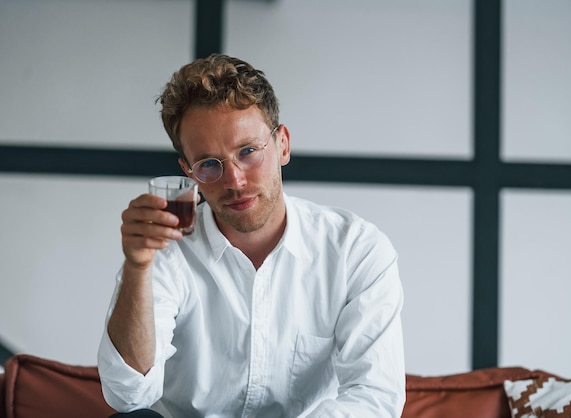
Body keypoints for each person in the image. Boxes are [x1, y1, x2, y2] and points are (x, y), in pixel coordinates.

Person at [98, 54, 405, 418]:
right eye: (209, 164)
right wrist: (137, 267)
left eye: (248, 152)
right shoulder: (165, 251)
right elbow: (128, 396)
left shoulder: (355, 250)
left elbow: (375, 398)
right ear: (189, 172)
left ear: (283, 145)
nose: (235, 181)